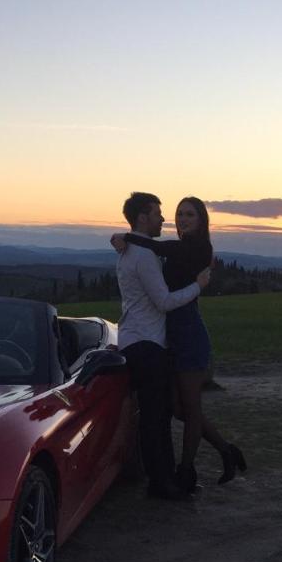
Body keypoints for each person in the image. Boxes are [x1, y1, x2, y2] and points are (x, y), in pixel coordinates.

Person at [111, 196, 246, 488]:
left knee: (190, 407)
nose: (182, 219)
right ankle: (226, 450)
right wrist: (122, 237)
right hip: (169, 334)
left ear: (202, 220)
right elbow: (158, 249)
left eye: (190, 215)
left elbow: (157, 248)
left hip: (188, 335)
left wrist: (127, 237)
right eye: (179, 214)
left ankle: (186, 472)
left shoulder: (199, 248)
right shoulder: (177, 246)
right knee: (179, 408)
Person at [116, 192, 212, 500]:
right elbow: (165, 301)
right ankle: (161, 483)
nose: (164, 218)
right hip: (146, 343)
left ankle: (167, 475)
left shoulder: (133, 249)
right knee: (155, 418)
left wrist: (121, 236)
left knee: (161, 413)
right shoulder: (142, 255)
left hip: (142, 338)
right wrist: (198, 286)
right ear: (143, 217)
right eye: (158, 213)